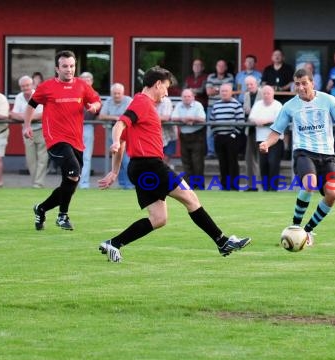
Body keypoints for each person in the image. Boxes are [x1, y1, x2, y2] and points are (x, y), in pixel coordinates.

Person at [97, 66, 250, 262]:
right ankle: (222, 241)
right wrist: (116, 141)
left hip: (139, 167)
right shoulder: (142, 103)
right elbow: (120, 126)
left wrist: (114, 171)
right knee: (191, 198)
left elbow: (125, 139)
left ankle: (114, 244)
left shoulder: (140, 104)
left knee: (159, 219)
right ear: (158, 84)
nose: (167, 93)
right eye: (166, 87)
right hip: (150, 165)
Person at [259, 68, 335, 246]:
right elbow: (275, 131)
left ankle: (307, 231)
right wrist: (266, 143)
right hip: (303, 152)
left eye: (304, 83)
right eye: (297, 84)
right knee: (309, 183)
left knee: (332, 194)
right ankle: (295, 226)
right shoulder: (289, 106)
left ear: (312, 83)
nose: (301, 87)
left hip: (327, 155)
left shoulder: (328, 100)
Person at [24, 50, 101, 231]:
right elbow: (31, 106)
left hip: (76, 141)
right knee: (73, 173)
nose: (69, 69)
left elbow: (96, 100)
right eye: (65, 66)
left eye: (72, 66)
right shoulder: (46, 87)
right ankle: (62, 216)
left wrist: (94, 106)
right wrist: (26, 125)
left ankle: (41, 208)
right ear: (57, 68)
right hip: (56, 140)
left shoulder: (82, 85)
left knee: (71, 181)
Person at [10, 75, 47, 188]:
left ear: (32, 85)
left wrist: (24, 116)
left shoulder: (39, 95)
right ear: (20, 87)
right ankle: (35, 182)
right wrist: (31, 117)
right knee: (30, 159)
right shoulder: (19, 97)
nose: (25, 88)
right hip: (26, 130)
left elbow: (43, 114)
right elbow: (12, 114)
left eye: (27, 85)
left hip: (41, 130)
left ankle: (38, 183)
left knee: (42, 158)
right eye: (22, 86)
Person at [209, 83, 245, 190]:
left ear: (231, 92)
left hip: (231, 137)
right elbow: (212, 121)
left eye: (226, 91)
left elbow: (241, 122)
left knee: (232, 162)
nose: (224, 93)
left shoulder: (237, 105)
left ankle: (234, 186)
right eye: (222, 91)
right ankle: (224, 185)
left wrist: (233, 135)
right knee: (222, 162)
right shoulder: (216, 105)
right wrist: (216, 133)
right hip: (219, 137)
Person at [98, 83, 134, 189]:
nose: (116, 95)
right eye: (114, 93)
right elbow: (102, 115)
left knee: (127, 160)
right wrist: (115, 117)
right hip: (112, 133)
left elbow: (131, 117)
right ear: (111, 93)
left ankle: (130, 184)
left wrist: (120, 120)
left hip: (126, 133)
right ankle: (122, 184)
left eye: (118, 93)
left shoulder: (129, 101)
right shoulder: (108, 101)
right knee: (118, 159)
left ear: (123, 93)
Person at [248, 85, 283, 191]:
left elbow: (278, 119)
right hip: (261, 139)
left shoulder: (278, 105)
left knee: (273, 163)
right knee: (263, 164)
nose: (266, 95)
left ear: (273, 94)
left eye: (268, 93)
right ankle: (265, 187)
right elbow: (251, 117)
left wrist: (264, 121)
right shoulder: (258, 104)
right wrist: (257, 121)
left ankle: (273, 187)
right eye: (264, 93)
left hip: (275, 140)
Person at [171, 89, 207, 189]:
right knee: (186, 162)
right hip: (184, 136)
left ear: (193, 97)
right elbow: (173, 117)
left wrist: (192, 118)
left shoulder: (198, 105)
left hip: (197, 135)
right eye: (185, 96)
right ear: (182, 98)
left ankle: (199, 186)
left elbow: (202, 118)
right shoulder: (179, 105)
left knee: (197, 162)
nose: (187, 98)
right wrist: (184, 119)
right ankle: (189, 186)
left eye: (189, 96)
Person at [205, 59, 234, 159]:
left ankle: (223, 151)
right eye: (219, 66)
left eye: (223, 66)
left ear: (226, 67)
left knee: (225, 129)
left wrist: (216, 89)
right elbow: (209, 92)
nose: (221, 68)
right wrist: (221, 89)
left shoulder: (230, 77)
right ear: (216, 67)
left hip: (226, 105)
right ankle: (211, 152)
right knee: (210, 129)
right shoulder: (210, 77)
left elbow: (228, 91)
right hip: (212, 107)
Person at [242, 75, 263, 190]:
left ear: (256, 84)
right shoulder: (246, 95)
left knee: (262, 159)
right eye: (247, 85)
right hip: (250, 129)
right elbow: (246, 110)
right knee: (249, 158)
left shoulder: (262, 93)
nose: (249, 86)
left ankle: (264, 184)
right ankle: (251, 185)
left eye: (251, 84)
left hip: (263, 129)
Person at [79, 72, 97, 189]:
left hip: (87, 126)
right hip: (72, 127)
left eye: (88, 80)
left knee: (86, 157)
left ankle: (84, 184)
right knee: (72, 156)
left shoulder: (95, 95)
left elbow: (98, 112)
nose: (86, 82)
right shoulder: (72, 92)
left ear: (92, 81)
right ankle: (71, 182)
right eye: (83, 79)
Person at [158, 96, 175, 169]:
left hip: (168, 135)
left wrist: (149, 117)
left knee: (166, 161)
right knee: (156, 160)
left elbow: (166, 117)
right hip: (154, 136)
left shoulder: (166, 101)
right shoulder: (148, 100)